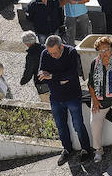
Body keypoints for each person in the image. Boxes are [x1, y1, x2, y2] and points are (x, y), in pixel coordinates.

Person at [39, 35, 95, 164]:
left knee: (78, 125)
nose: (52, 55)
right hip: (55, 97)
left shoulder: (71, 52)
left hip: (72, 96)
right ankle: (67, 149)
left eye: (55, 52)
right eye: (50, 52)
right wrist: (60, 78)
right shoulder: (45, 54)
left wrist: (52, 76)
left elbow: (71, 74)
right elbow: (42, 74)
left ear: (61, 47)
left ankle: (86, 149)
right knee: (61, 126)